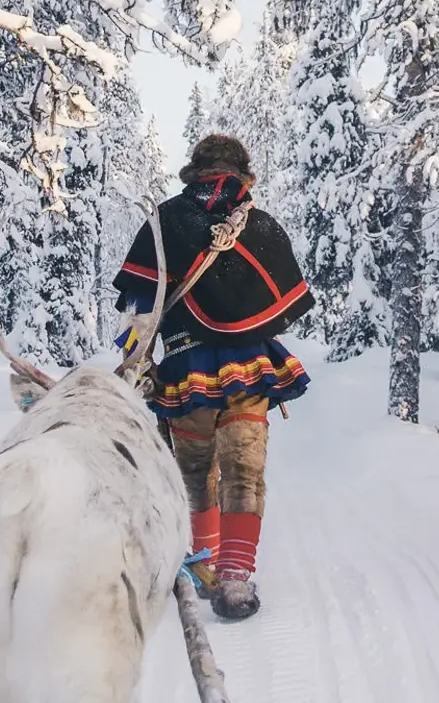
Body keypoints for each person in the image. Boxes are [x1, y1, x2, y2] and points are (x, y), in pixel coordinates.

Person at [110, 134, 315, 621]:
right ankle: (236, 579)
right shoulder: (259, 225)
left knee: (196, 474)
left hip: (187, 371)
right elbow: (282, 309)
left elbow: (139, 306)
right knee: (244, 473)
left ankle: (203, 566)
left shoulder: (166, 221)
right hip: (250, 369)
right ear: (243, 172)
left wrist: (135, 363)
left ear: (194, 171)